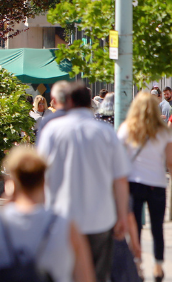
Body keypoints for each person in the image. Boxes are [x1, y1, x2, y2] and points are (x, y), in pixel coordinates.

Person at [37, 81, 130, 282]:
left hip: (61, 216)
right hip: (100, 219)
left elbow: (41, 175)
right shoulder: (106, 132)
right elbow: (120, 179)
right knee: (96, 274)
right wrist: (122, 215)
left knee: (62, 273)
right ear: (89, 103)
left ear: (68, 101)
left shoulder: (52, 131)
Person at [0, 146, 94, 282]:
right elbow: (85, 277)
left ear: (11, 182)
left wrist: (5, 207)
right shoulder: (65, 225)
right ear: (44, 181)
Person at [117, 91, 172, 282]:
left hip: (133, 184)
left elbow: (117, 157)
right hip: (157, 184)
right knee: (157, 227)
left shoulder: (127, 128)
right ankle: (158, 266)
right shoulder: (164, 131)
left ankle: (138, 263)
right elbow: (170, 161)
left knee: (136, 227)